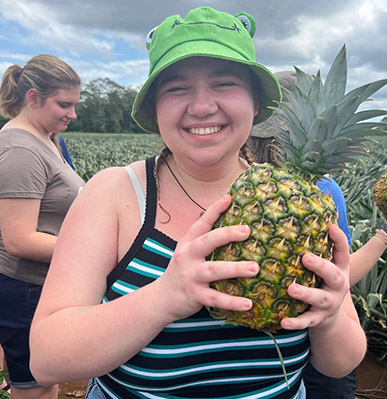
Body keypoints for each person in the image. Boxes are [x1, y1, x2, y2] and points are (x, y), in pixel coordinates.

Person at [29, 8, 367, 399]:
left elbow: (340, 363)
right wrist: (166, 297)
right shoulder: (114, 194)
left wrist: (327, 319)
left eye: (224, 83)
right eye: (177, 88)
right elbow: (46, 358)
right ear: (155, 107)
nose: (202, 107)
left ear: (256, 103)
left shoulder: (305, 204)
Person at [248, 70, 387, 399]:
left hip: (312, 342)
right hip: (306, 343)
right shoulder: (324, 191)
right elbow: (340, 274)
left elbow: (337, 275)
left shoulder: (244, 183)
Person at [0, 54, 85, 399]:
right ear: (33, 98)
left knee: (48, 376)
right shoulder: (21, 149)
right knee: (34, 387)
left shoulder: (48, 138)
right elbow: (19, 240)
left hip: (44, 283)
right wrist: (92, 250)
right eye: (64, 104)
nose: (73, 114)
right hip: (25, 289)